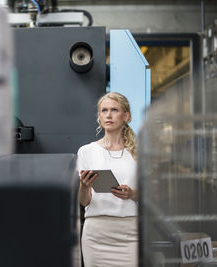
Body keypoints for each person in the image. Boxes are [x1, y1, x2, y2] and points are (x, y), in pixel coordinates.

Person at [77, 92, 138, 267]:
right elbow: (84, 201)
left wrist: (132, 193)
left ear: (126, 116)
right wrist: (83, 185)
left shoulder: (138, 153)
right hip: (96, 233)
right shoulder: (86, 151)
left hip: (130, 232)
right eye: (104, 110)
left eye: (114, 110)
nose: (108, 115)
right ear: (99, 116)